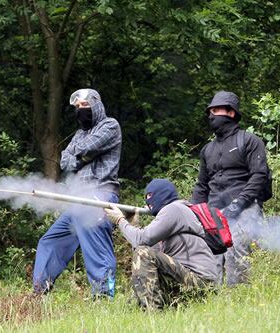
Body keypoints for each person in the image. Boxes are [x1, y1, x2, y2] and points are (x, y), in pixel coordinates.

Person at [32, 88, 122, 296]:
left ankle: (103, 298)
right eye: (77, 107)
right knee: (50, 241)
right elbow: (65, 161)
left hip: (100, 196)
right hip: (78, 199)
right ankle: (39, 291)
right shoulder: (80, 133)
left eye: (84, 105)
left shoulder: (110, 125)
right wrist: (82, 157)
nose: (81, 110)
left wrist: (79, 156)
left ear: (96, 105)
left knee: (96, 248)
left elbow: (87, 147)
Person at [191, 91, 272, 286]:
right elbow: (202, 186)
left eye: (216, 110)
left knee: (236, 248)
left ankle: (239, 299)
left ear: (231, 113)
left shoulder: (250, 141)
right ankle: (213, 299)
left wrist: (238, 205)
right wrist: (194, 212)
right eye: (210, 111)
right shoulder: (207, 150)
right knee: (210, 255)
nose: (211, 115)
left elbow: (259, 176)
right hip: (214, 211)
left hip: (246, 208)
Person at [104, 179, 218, 310]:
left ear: (162, 195)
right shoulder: (170, 220)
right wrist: (133, 225)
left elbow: (142, 244)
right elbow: (145, 265)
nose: (148, 204)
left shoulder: (174, 209)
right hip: (187, 282)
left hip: (201, 283)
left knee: (143, 253)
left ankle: (153, 316)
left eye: (150, 198)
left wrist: (120, 220)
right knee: (132, 300)